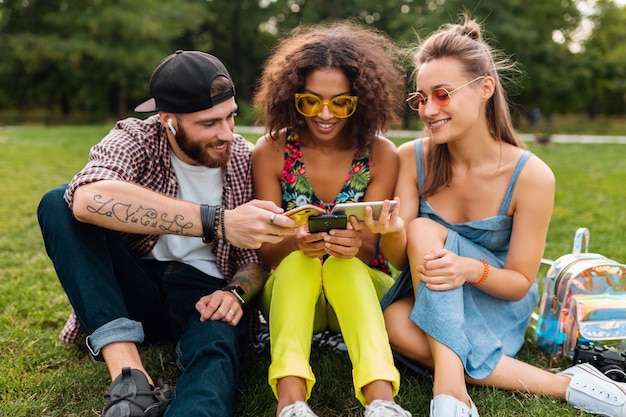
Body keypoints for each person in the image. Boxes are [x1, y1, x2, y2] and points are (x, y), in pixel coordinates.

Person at [368, 15, 626, 417]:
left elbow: (520, 283)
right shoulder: (411, 158)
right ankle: (565, 385)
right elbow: (402, 260)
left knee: (424, 227)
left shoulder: (532, 176)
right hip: (432, 293)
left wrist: (469, 269)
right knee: (393, 322)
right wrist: (392, 231)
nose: (428, 110)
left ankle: (450, 391)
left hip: (495, 302)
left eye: (442, 94)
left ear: (485, 88)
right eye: (420, 98)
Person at [37, 50, 297, 417]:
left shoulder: (244, 157)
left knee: (216, 349)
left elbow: (257, 261)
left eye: (230, 117)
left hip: (204, 294)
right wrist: (219, 222)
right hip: (133, 286)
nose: (226, 133)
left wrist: (235, 293)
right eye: (209, 123)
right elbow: (87, 196)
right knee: (57, 204)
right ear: (168, 121)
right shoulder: (137, 137)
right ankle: (131, 378)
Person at [251, 21, 411, 417]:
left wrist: (353, 246)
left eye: (341, 102)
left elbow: (375, 249)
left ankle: (382, 402)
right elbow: (267, 252)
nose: (325, 114)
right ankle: (291, 403)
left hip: (359, 294)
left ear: (361, 100)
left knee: (342, 267)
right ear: (292, 98)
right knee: (298, 262)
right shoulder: (270, 151)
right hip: (291, 290)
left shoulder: (381, 154)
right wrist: (296, 242)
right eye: (311, 101)